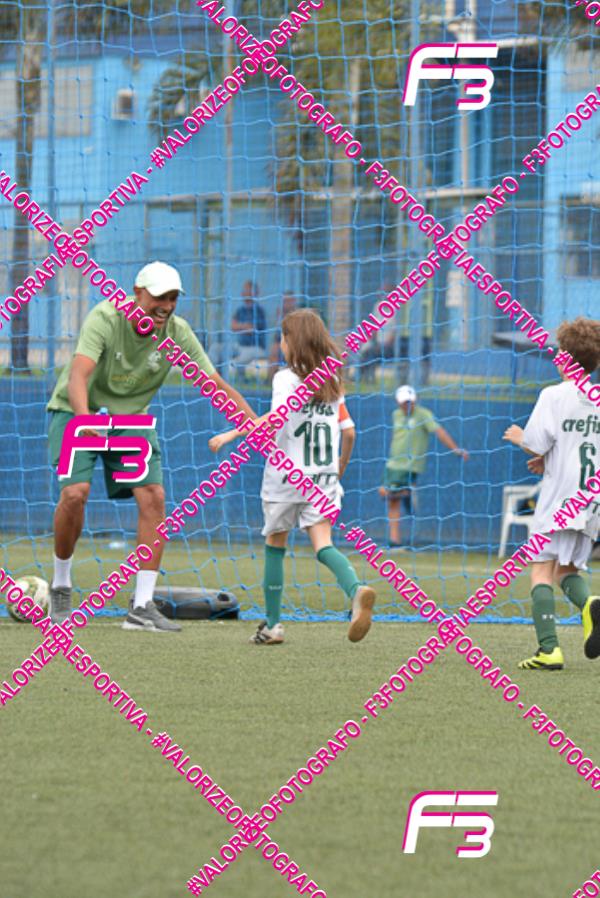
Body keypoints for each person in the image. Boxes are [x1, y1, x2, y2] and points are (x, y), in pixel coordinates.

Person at [47, 260, 256, 632]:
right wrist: (83, 419)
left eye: (173, 298)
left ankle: (142, 607)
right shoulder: (105, 317)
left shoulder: (177, 333)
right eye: (160, 297)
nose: (167, 305)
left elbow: (215, 384)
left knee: (154, 497)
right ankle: (61, 585)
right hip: (77, 410)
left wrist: (253, 423)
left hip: (130, 419)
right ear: (137, 292)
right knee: (75, 494)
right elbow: (79, 374)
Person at [209, 308, 375, 645]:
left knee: (275, 544)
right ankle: (356, 589)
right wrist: (339, 469)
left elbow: (277, 418)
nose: (280, 345)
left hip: (286, 475)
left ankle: (272, 625)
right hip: (323, 478)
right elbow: (350, 432)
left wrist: (232, 433)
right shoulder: (332, 381)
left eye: (282, 338)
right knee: (323, 544)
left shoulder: (285, 378)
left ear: (292, 341)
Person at [503, 316, 600, 671]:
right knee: (567, 571)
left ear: (564, 359)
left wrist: (521, 438)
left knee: (541, 571)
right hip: (591, 501)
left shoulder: (554, 395)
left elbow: (535, 443)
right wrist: (549, 461)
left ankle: (549, 650)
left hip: (559, 499)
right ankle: (590, 604)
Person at [379, 385, 469, 548]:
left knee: (388, 493)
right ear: (398, 402)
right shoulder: (396, 414)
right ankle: (394, 540)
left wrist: (456, 449)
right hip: (392, 464)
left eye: (410, 402)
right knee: (390, 500)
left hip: (409, 465)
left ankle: (406, 492)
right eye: (404, 402)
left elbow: (439, 432)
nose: (408, 405)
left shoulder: (423, 414)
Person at [230, 280, 267, 372]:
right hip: (240, 346)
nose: (243, 292)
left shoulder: (259, 311)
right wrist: (244, 326)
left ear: (253, 293)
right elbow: (232, 327)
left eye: (246, 290)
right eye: (244, 290)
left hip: (255, 348)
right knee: (216, 348)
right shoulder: (240, 310)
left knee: (235, 364)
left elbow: (251, 329)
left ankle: (238, 379)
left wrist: (240, 326)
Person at [268, 291, 298, 380]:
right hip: (281, 343)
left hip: (296, 344)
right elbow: (276, 336)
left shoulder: (298, 315)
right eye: (284, 301)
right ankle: (270, 380)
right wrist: (279, 319)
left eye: (288, 301)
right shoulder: (280, 315)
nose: (286, 303)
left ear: (293, 301)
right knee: (274, 350)